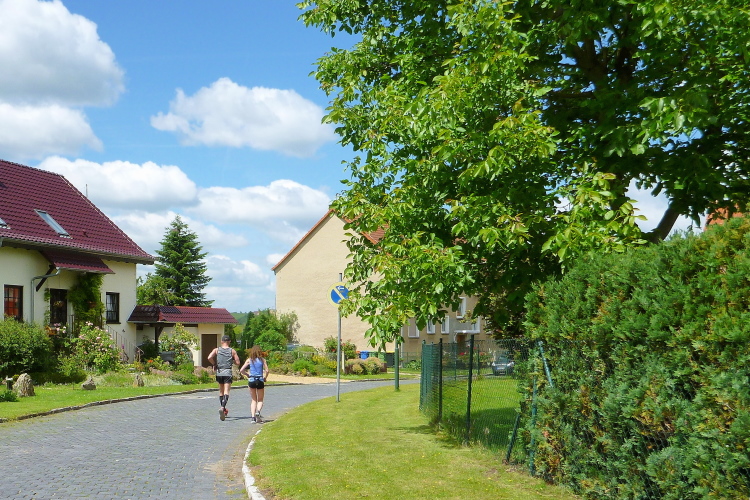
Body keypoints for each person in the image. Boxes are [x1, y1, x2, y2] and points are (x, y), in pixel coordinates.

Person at [207, 335, 240, 421]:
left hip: (219, 372)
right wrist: (232, 360)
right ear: (229, 342)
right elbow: (238, 362)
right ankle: (222, 407)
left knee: (221, 392)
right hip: (227, 372)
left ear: (221, 342)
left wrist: (214, 364)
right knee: (226, 391)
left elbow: (209, 357)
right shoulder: (232, 351)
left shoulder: (216, 350)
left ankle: (223, 409)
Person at [239, 345, 269, 423]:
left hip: (252, 380)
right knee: (260, 399)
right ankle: (258, 412)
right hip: (260, 380)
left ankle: (253, 417)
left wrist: (247, 375)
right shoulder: (262, 360)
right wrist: (265, 377)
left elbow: (241, 370)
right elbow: (267, 370)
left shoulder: (249, 360)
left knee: (253, 399)